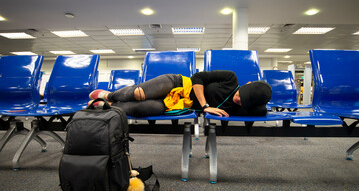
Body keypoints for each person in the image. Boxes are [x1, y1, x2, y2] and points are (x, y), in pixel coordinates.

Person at [89, 70, 272, 117]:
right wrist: (206, 106)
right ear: (246, 84)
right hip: (177, 84)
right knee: (138, 94)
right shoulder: (230, 78)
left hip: (177, 104)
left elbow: (262, 110)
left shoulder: (238, 107)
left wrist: (254, 101)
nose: (239, 100)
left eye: (244, 102)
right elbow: (197, 77)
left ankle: (108, 106)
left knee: (146, 108)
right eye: (242, 94)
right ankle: (109, 95)